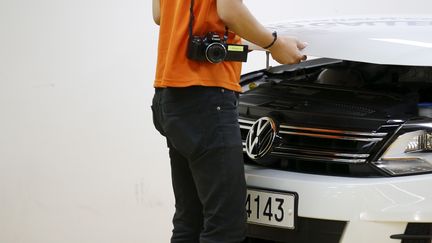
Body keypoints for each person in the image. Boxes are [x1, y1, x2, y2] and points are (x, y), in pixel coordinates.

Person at [151, 0, 306, 242]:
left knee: (190, 221)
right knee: (224, 229)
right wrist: (274, 43)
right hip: (205, 99)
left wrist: (249, 40)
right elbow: (229, 10)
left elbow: (160, 15)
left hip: (170, 96)